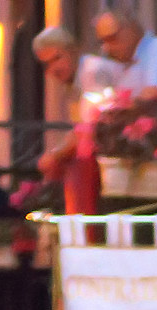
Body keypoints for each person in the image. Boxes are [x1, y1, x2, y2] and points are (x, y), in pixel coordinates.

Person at [32, 27, 119, 217]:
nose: (53, 69)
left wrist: (55, 155)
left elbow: (90, 127)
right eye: (46, 64)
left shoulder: (93, 71)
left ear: (73, 51)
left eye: (57, 58)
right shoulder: (75, 81)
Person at [93, 11, 157, 92]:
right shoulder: (122, 61)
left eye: (112, 38)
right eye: (103, 42)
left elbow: (154, 95)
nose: (106, 48)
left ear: (131, 30)